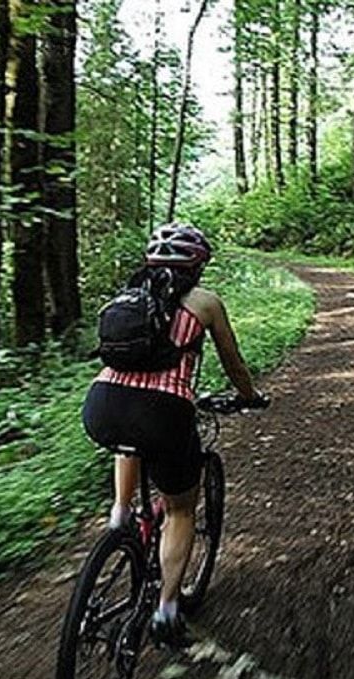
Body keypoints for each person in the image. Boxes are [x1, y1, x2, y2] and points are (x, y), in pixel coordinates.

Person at [82, 223, 265, 649]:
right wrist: (250, 396)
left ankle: (120, 515)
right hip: (163, 412)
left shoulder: (124, 296)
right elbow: (234, 363)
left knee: (128, 441)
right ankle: (166, 609)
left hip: (102, 405)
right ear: (197, 266)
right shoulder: (204, 303)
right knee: (182, 509)